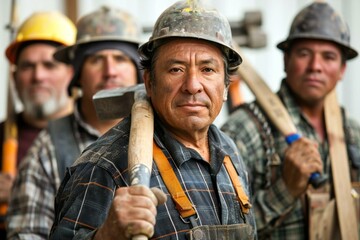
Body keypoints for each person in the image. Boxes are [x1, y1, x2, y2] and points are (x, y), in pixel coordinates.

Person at [49, 1, 257, 240]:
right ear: (149, 82)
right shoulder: (107, 166)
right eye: (176, 69)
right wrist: (107, 235)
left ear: (226, 85)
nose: (192, 85)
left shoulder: (230, 152)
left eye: (207, 70)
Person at [221, 2, 360, 239]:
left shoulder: (352, 133)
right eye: (304, 54)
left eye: (328, 57)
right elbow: (227, 232)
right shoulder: (243, 131)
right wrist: (285, 189)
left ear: (342, 69)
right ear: (286, 60)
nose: (315, 66)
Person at [6, 6, 143, 239]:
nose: (110, 71)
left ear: (139, 72)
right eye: (97, 59)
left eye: (120, 59)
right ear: (77, 73)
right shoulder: (50, 146)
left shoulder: (163, 136)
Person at [0, 11, 76, 239]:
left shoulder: (98, 137)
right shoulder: (2, 136)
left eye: (49, 65)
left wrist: (23, 194)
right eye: (27, 66)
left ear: (72, 74)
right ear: (14, 77)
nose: (38, 76)